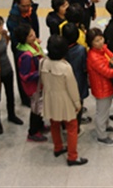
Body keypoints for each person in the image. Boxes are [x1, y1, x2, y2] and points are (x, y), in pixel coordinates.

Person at [41, 34, 88, 166]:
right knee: (72, 127)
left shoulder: (43, 62)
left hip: (50, 98)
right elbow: (72, 88)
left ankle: (58, 147)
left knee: (54, 124)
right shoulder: (66, 67)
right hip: (65, 101)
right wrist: (77, 104)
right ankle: (72, 156)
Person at [86, 28, 113, 146]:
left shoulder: (103, 49)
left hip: (107, 85)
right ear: (91, 43)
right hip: (101, 88)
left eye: (101, 39)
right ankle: (101, 135)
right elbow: (107, 72)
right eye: (96, 41)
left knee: (106, 108)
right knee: (101, 112)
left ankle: (106, 126)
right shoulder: (94, 57)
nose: (100, 42)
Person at [13, 23, 46, 143]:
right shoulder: (26, 56)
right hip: (33, 87)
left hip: (39, 84)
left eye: (33, 33)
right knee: (36, 109)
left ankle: (40, 125)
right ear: (24, 39)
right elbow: (25, 76)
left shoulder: (33, 45)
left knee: (40, 107)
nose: (34, 36)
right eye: (31, 36)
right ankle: (33, 132)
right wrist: (41, 72)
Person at [6, 0, 40, 106]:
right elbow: (16, 38)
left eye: (28, 5)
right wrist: (30, 41)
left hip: (33, 44)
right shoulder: (13, 19)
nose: (26, 8)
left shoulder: (31, 10)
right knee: (24, 73)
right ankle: (25, 98)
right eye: (23, 6)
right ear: (17, 4)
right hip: (21, 48)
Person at [62, 23, 90, 130]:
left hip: (64, 82)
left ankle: (64, 124)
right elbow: (84, 66)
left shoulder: (61, 48)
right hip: (78, 80)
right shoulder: (81, 50)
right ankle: (76, 126)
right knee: (78, 102)